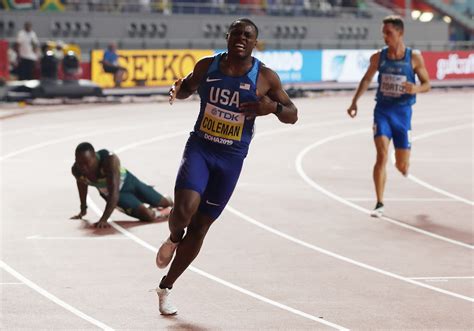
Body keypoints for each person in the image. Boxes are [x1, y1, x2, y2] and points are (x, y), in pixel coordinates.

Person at [154, 18, 298, 315]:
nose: (241, 38)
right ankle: (173, 237)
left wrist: (273, 108)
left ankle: (165, 287)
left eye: (248, 35)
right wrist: (176, 89)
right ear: (228, 37)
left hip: (231, 159)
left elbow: (293, 114)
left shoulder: (266, 78)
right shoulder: (208, 66)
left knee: (201, 227)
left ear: (255, 42)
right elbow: (188, 87)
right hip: (201, 148)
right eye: (236, 33)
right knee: (182, 211)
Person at [346, 15, 430, 218]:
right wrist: (354, 101)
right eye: (383, 33)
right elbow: (366, 80)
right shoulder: (378, 57)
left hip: (403, 114)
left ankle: (402, 164)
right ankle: (379, 203)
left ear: (400, 33)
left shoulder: (414, 57)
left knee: (402, 165)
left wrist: (416, 88)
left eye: (389, 33)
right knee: (381, 155)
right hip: (383, 111)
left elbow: (427, 84)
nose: (385, 37)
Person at [71, 142, 173, 228]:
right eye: (79, 163)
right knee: (148, 216)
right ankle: (156, 211)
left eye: (87, 163)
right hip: (120, 196)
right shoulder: (77, 170)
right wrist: (83, 209)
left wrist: (104, 219)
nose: (83, 168)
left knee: (167, 202)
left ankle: (153, 199)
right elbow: (82, 187)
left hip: (129, 182)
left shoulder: (109, 160)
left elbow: (114, 191)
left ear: (94, 157)